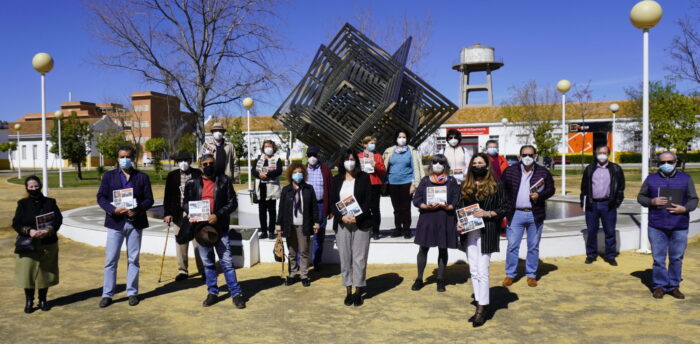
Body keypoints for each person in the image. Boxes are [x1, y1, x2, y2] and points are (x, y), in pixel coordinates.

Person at [183, 154, 245, 308]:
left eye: (211, 163)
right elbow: (185, 203)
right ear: (200, 166)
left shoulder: (224, 180)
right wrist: (193, 212)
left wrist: (218, 215)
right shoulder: (192, 183)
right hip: (201, 230)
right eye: (205, 164)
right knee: (208, 263)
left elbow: (233, 202)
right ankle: (212, 292)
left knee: (227, 263)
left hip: (220, 229)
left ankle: (236, 294)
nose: (209, 166)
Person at [96, 145, 154, 308]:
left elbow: (149, 199)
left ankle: (132, 292)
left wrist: (136, 210)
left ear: (133, 158)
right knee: (111, 259)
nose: (124, 159)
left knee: (133, 259)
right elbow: (101, 197)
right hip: (115, 223)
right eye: (121, 156)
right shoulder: (109, 176)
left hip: (135, 223)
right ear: (117, 158)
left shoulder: (142, 177)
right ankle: (107, 294)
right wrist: (113, 209)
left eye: (127, 156)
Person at [637, 151, 698, 299]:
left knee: (676, 257)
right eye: (662, 162)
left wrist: (685, 208)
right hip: (657, 225)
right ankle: (659, 286)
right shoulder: (651, 179)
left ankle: (673, 286)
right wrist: (651, 201)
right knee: (658, 258)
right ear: (658, 164)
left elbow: (694, 199)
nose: (666, 165)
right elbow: (641, 197)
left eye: (670, 162)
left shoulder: (686, 178)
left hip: (679, 225)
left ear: (676, 162)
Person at [458, 153, 507, 327]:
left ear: (487, 166)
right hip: (470, 232)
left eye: (481, 163)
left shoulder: (496, 184)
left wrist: (487, 213)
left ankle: (482, 307)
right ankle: (479, 301)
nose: (477, 165)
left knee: (483, 269)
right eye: (475, 163)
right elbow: (459, 207)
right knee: (473, 270)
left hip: (488, 231)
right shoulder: (465, 184)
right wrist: (459, 223)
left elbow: (504, 207)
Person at [501, 145, 555, 288]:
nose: (527, 157)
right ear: (519, 156)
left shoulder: (543, 172)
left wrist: (540, 195)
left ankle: (531, 274)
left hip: (534, 214)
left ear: (535, 156)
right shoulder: (510, 171)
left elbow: (551, 189)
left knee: (533, 246)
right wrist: (505, 208)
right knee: (512, 246)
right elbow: (502, 189)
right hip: (516, 214)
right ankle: (510, 274)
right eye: (524, 154)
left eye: (530, 155)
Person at [12, 176, 63, 313]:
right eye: (31, 187)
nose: (34, 189)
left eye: (36, 186)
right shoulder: (22, 203)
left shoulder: (50, 202)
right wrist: (29, 231)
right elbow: (16, 223)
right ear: (27, 188)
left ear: (40, 186)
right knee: (27, 273)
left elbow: (58, 220)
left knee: (44, 273)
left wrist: (48, 230)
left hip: (47, 242)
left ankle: (43, 300)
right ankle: (29, 301)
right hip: (28, 244)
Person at [410, 154, 460, 293]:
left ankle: (440, 279)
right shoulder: (426, 180)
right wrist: (423, 205)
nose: (438, 165)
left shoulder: (451, 181)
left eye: (441, 163)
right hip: (427, 219)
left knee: (443, 249)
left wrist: (450, 206)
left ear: (445, 166)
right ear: (431, 165)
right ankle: (419, 278)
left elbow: (457, 197)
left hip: (445, 218)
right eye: (435, 163)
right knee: (423, 249)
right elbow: (416, 199)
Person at [330, 150, 373, 306]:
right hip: (343, 224)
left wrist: (357, 217)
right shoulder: (336, 180)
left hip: (361, 223)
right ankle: (348, 290)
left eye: (352, 159)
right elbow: (333, 202)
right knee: (345, 258)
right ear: (342, 162)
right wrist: (342, 216)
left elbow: (369, 202)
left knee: (359, 259)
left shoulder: (364, 178)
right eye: (347, 159)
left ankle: (358, 291)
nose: (350, 162)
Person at [580, 145, 625, 266]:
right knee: (591, 230)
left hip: (608, 204)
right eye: (600, 152)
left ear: (608, 154)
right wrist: (583, 202)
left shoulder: (616, 169)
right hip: (592, 204)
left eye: (604, 152)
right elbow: (584, 188)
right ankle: (591, 255)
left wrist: (616, 202)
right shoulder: (590, 169)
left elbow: (621, 188)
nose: (602, 155)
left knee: (610, 231)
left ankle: (610, 256)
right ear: (595, 154)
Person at [276, 163, 320, 287]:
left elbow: (314, 207)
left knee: (304, 250)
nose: (298, 174)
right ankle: (292, 273)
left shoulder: (308, 189)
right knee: (292, 251)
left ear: (304, 174)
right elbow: (281, 209)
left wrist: (316, 222)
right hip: (289, 225)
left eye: (300, 172)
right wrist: (278, 225)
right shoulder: (286, 190)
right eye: (295, 172)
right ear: (290, 175)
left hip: (304, 224)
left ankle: (304, 274)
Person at [163, 150, 204, 281]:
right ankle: (183, 270)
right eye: (181, 161)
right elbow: (167, 196)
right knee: (180, 241)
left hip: (195, 211)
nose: (184, 163)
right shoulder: (172, 176)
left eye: (186, 160)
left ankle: (203, 270)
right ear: (177, 162)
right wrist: (167, 213)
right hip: (178, 212)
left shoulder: (197, 173)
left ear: (191, 161)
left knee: (198, 241)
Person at [383, 130, 425, 239]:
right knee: (396, 208)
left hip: (407, 183)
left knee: (406, 208)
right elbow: (385, 167)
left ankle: (407, 229)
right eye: (400, 136)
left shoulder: (412, 151)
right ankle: (398, 228)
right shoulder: (389, 151)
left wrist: (414, 184)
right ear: (396, 138)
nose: (402, 139)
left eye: (404, 137)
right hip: (392, 183)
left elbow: (416, 168)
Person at [305, 146, 333, 270]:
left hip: (321, 205)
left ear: (318, 156)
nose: (312, 157)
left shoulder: (326, 170)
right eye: (309, 155)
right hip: (306, 206)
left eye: (314, 155)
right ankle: (303, 263)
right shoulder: (302, 170)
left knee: (319, 235)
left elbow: (331, 190)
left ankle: (317, 262)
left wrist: (331, 209)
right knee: (304, 234)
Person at [252, 140, 284, 239]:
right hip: (261, 188)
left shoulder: (277, 159)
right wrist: (259, 174)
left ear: (273, 148)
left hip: (272, 188)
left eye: (269, 146)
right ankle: (264, 231)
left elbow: (279, 171)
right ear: (263, 148)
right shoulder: (258, 158)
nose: (268, 148)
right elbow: (253, 170)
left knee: (272, 211)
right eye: (265, 146)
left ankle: (271, 231)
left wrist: (268, 174)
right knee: (262, 211)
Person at [359, 136, 386, 240]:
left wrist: (376, 165)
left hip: (375, 184)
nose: (372, 145)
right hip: (363, 185)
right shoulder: (359, 156)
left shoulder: (378, 156)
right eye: (370, 143)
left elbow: (383, 171)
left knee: (375, 209)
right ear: (364, 144)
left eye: (374, 143)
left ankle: (376, 230)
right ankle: (365, 228)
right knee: (364, 208)